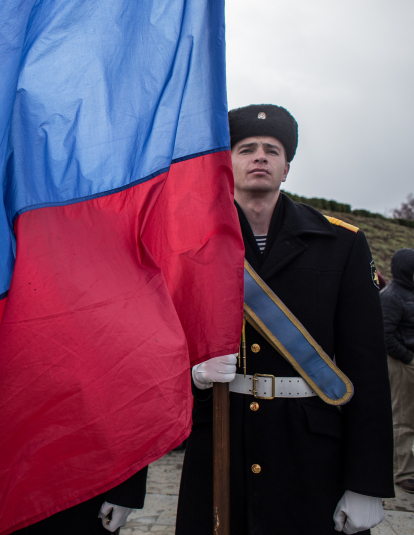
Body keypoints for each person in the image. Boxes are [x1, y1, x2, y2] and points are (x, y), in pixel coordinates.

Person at [175, 104, 394, 535]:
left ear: (286, 168)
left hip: (309, 450)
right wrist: (192, 376)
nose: (260, 157)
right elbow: (162, 345)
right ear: (227, 163)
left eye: (272, 150)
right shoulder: (191, 243)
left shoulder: (340, 244)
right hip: (221, 440)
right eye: (247, 148)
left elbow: (366, 367)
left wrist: (366, 484)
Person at [380, 248, 414, 493]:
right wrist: (409, 358)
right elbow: (386, 336)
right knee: (402, 416)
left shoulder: (409, 293)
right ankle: (404, 473)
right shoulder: (392, 296)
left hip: (409, 361)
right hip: (402, 364)